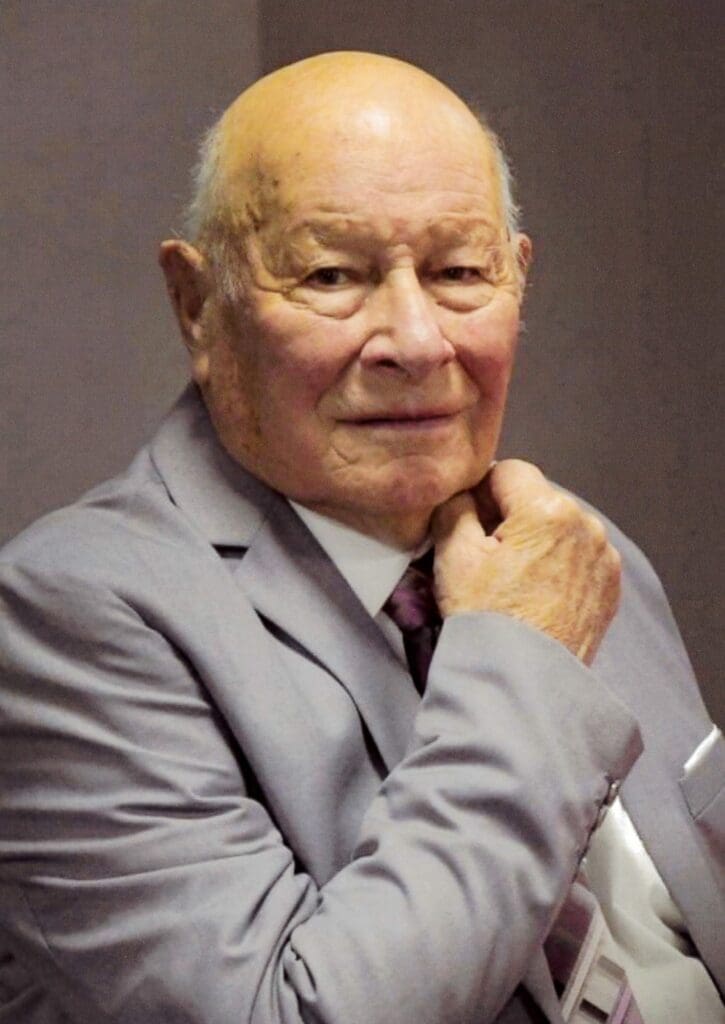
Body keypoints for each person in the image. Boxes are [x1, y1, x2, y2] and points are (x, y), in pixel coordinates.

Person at [0, 51, 722, 1024]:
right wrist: (523, 666)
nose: (416, 342)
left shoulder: (571, 555)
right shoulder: (64, 621)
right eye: (332, 274)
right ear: (197, 306)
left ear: (517, 279)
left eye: (458, 272)